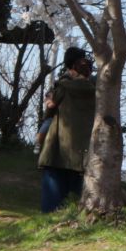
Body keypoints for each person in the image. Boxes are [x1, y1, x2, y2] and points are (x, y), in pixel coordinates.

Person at [38, 47, 97, 214]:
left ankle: (48, 218)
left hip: (59, 149)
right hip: (84, 150)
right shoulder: (97, 89)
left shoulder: (63, 86)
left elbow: (49, 110)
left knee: (53, 195)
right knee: (79, 192)